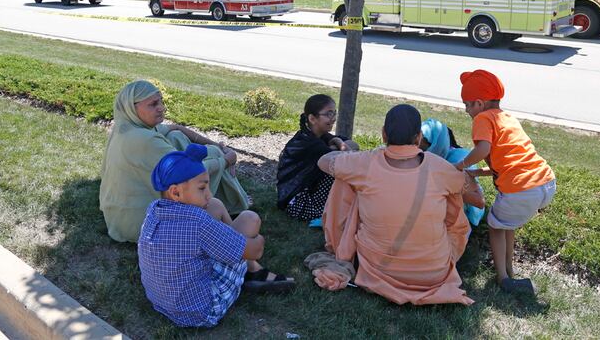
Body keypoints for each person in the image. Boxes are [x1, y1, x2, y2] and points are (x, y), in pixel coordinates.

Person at [317, 104, 474, 306]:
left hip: (379, 269)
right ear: (418, 138)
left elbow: (324, 161)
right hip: (433, 273)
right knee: (452, 197)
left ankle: (340, 245)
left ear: (383, 134)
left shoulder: (365, 163)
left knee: (345, 179)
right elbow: (466, 187)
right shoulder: (439, 166)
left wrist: (349, 155)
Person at [139, 144, 294, 328]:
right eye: (202, 188)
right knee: (250, 220)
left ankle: (243, 260)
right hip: (202, 313)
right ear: (176, 192)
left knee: (215, 204)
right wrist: (256, 239)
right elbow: (256, 249)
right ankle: (251, 269)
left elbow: (207, 210)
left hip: (161, 302)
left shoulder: (154, 209)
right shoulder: (197, 222)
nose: (208, 194)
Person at [100, 80, 250, 242]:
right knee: (213, 179)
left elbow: (176, 128)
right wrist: (226, 159)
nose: (161, 108)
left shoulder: (127, 128)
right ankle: (236, 242)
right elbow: (195, 173)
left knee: (176, 137)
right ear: (132, 108)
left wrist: (217, 146)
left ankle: (231, 199)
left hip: (119, 217)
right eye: (153, 104)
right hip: (142, 226)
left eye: (161, 102)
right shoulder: (145, 140)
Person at [453, 70, 556, 294]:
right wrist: (475, 173)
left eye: (467, 105)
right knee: (507, 224)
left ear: (479, 103)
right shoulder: (507, 118)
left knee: (494, 226)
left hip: (522, 188)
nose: (466, 110)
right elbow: (506, 163)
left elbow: (483, 149)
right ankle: (508, 269)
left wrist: (461, 166)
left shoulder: (482, 118)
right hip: (545, 181)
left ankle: (502, 278)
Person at [277, 94, 358, 222]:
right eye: (329, 114)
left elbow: (354, 145)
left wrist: (336, 142)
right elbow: (347, 156)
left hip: (305, 195)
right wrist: (337, 143)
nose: (333, 118)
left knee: (339, 166)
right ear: (312, 118)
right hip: (297, 203)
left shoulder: (320, 135)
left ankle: (344, 207)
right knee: (340, 170)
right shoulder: (309, 143)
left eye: (334, 113)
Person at [420, 118, 486, 230]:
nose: (419, 151)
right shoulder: (439, 156)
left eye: (423, 146)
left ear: (437, 143)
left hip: (465, 216)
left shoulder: (459, 160)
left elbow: (479, 201)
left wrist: (441, 186)